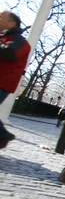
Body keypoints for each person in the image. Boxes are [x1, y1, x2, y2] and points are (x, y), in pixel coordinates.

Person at [0, 11, 31, 149]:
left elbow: (11, 54)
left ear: (11, 23)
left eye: (1, 17)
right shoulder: (4, 37)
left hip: (3, 82)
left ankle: (2, 134)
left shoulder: (20, 41)